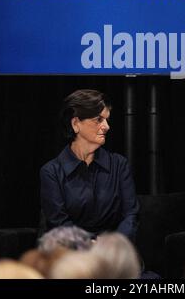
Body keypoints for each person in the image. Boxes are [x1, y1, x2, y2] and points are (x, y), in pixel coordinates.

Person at [40, 89, 139, 243]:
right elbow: (58, 224)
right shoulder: (51, 172)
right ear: (75, 124)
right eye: (98, 119)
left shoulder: (119, 165)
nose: (107, 126)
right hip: (71, 254)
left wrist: (113, 245)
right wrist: (90, 243)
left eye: (107, 120)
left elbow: (130, 215)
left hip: (113, 252)